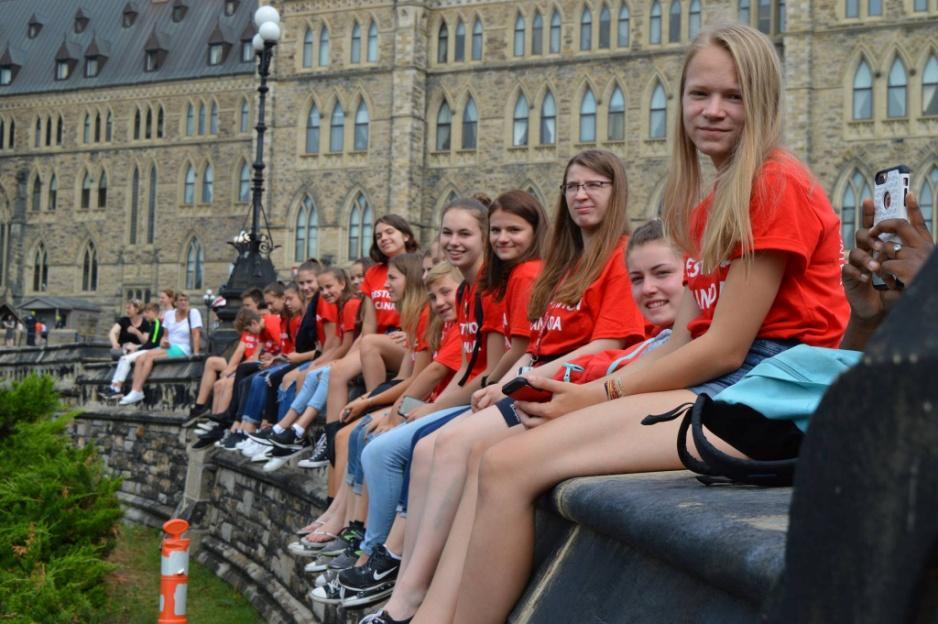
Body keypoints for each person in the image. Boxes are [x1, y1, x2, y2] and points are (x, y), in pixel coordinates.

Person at [448, 24, 850, 624]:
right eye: (699, 94)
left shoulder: (774, 182)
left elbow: (724, 349)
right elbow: (684, 338)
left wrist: (594, 394)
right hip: (731, 383)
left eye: (734, 97)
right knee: (495, 457)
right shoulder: (707, 201)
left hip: (771, 398)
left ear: (762, 101)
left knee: (509, 465)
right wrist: (584, 397)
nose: (713, 111)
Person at [370, 149, 647, 624]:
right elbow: (528, 344)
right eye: (573, 186)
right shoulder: (565, 262)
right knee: (434, 448)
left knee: (457, 447)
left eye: (595, 185)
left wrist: (520, 378)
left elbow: (608, 340)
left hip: (564, 388)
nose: (582, 195)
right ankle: (410, 588)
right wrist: (511, 378)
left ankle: (415, 597)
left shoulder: (618, 256)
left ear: (616, 192)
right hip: (535, 381)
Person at [119, 292, 203, 406]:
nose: (183, 303)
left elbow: (196, 334)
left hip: (183, 348)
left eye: (186, 300)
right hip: (168, 346)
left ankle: (138, 390)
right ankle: (135, 391)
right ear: (176, 302)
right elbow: (165, 335)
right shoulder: (169, 315)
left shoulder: (193, 313)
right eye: (181, 300)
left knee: (149, 358)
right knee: (140, 358)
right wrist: (163, 341)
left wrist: (196, 353)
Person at [101, 303, 165, 400]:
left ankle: (118, 389)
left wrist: (137, 348)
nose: (145, 315)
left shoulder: (156, 324)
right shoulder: (152, 324)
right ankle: (113, 386)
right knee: (123, 358)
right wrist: (137, 346)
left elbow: (153, 344)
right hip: (146, 349)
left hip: (151, 351)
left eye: (147, 313)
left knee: (126, 359)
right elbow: (148, 342)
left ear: (154, 312)